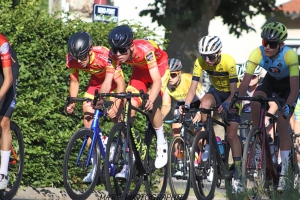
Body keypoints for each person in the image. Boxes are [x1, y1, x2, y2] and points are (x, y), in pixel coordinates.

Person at [99, 25, 170, 179]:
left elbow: (157, 80)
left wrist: (151, 98)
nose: (118, 54)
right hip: (140, 71)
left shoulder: (146, 50)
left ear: (131, 46)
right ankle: (129, 157)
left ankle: (161, 142)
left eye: (123, 51)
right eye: (115, 50)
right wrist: (102, 99)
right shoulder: (114, 54)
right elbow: (108, 80)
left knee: (151, 106)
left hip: (159, 68)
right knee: (130, 105)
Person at [236, 22, 299, 191]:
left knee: (282, 123)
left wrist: (288, 106)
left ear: (281, 45)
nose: (267, 47)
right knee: (256, 100)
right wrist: (235, 99)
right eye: (265, 43)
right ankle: (259, 137)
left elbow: (294, 89)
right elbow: (245, 83)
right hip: (271, 82)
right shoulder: (257, 53)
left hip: (288, 87)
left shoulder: (290, 55)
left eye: (272, 44)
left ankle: (285, 173)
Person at [183, 35, 242, 192]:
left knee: (231, 135)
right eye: (204, 56)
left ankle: (238, 173)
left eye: (211, 56)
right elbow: (192, 88)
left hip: (232, 95)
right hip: (216, 92)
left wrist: (229, 103)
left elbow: (235, 91)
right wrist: (187, 104)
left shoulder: (228, 61)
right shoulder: (200, 62)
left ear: (219, 52)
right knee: (205, 104)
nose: (207, 60)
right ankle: (209, 141)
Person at [65, 31, 126, 182]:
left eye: (83, 57)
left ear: (90, 50)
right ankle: (95, 167)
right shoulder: (72, 59)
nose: (79, 61)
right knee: (88, 124)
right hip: (95, 86)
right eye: (76, 58)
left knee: (117, 119)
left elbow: (121, 84)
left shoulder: (104, 55)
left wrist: (117, 105)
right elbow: (74, 81)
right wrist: (72, 101)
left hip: (112, 84)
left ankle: (127, 154)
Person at [161, 58, 205, 177]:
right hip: (181, 105)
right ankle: (180, 162)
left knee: (198, 133)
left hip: (197, 104)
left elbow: (204, 99)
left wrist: (200, 113)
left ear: (179, 73)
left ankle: (203, 158)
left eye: (174, 75)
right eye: (168, 75)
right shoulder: (165, 83)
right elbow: (166, 105)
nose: (170, 78)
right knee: (175, 130)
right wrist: (160, 118)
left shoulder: (189, 79)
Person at [0, 34, 20, 189]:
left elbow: (8, 80)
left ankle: (3, 173)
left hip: (8, 72)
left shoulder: (2, 43)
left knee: (3, 121)